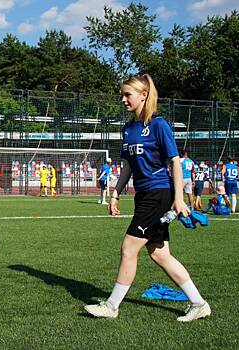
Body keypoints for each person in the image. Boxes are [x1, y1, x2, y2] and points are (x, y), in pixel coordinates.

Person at [84, 74, 210, 322]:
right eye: (122, 94)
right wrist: (115, 193)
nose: (123, 99)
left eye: (127, 94)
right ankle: (199, 303)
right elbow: (128, 165)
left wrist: (179, 198)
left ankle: (111, 306)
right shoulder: (128, 128)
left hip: (158, 194)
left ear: (143, 95)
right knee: (159, 254)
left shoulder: (159, 124)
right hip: (142, 195)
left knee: (129, 248)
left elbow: (174, 161)